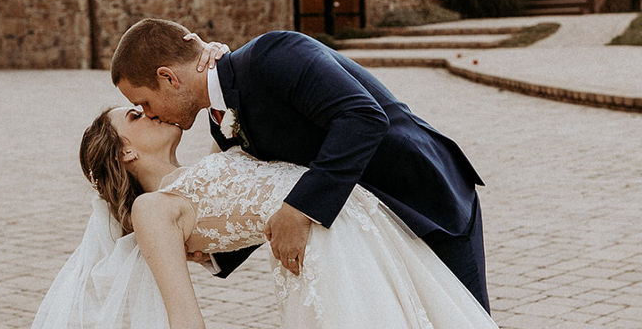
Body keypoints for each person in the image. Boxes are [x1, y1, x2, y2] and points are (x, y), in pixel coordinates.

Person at [110, 18, 491, 312]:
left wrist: (300, 209)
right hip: (370, 225)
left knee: (461, 317)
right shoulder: (221, 118)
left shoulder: (275, 53)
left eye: (144, 102)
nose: (151, 114)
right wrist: (213, 252)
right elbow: (265, 186)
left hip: (425, 198)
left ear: (168, 77)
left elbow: (362, 117)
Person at [32, 107, 498, 328]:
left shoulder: (208, 161)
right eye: (135, 115)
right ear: (126, 150)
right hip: (327, 257)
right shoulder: (152, 209)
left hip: (362, 227)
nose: (150, 111)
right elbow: (184, 318)